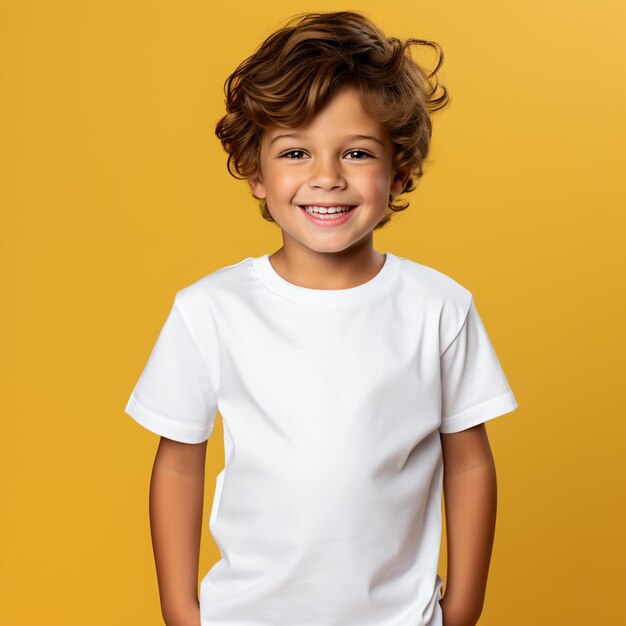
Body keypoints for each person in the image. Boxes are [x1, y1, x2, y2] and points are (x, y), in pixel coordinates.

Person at [125, 10, 519, 626]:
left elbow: (468, 459)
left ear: (402, 167)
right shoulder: (210, 310)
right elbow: (179, 460)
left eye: (357, 152)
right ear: (256, 171)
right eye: (296, 152)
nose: (327, 178)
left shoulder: (439, 308)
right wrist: (180, 608)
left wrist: (465, 605)